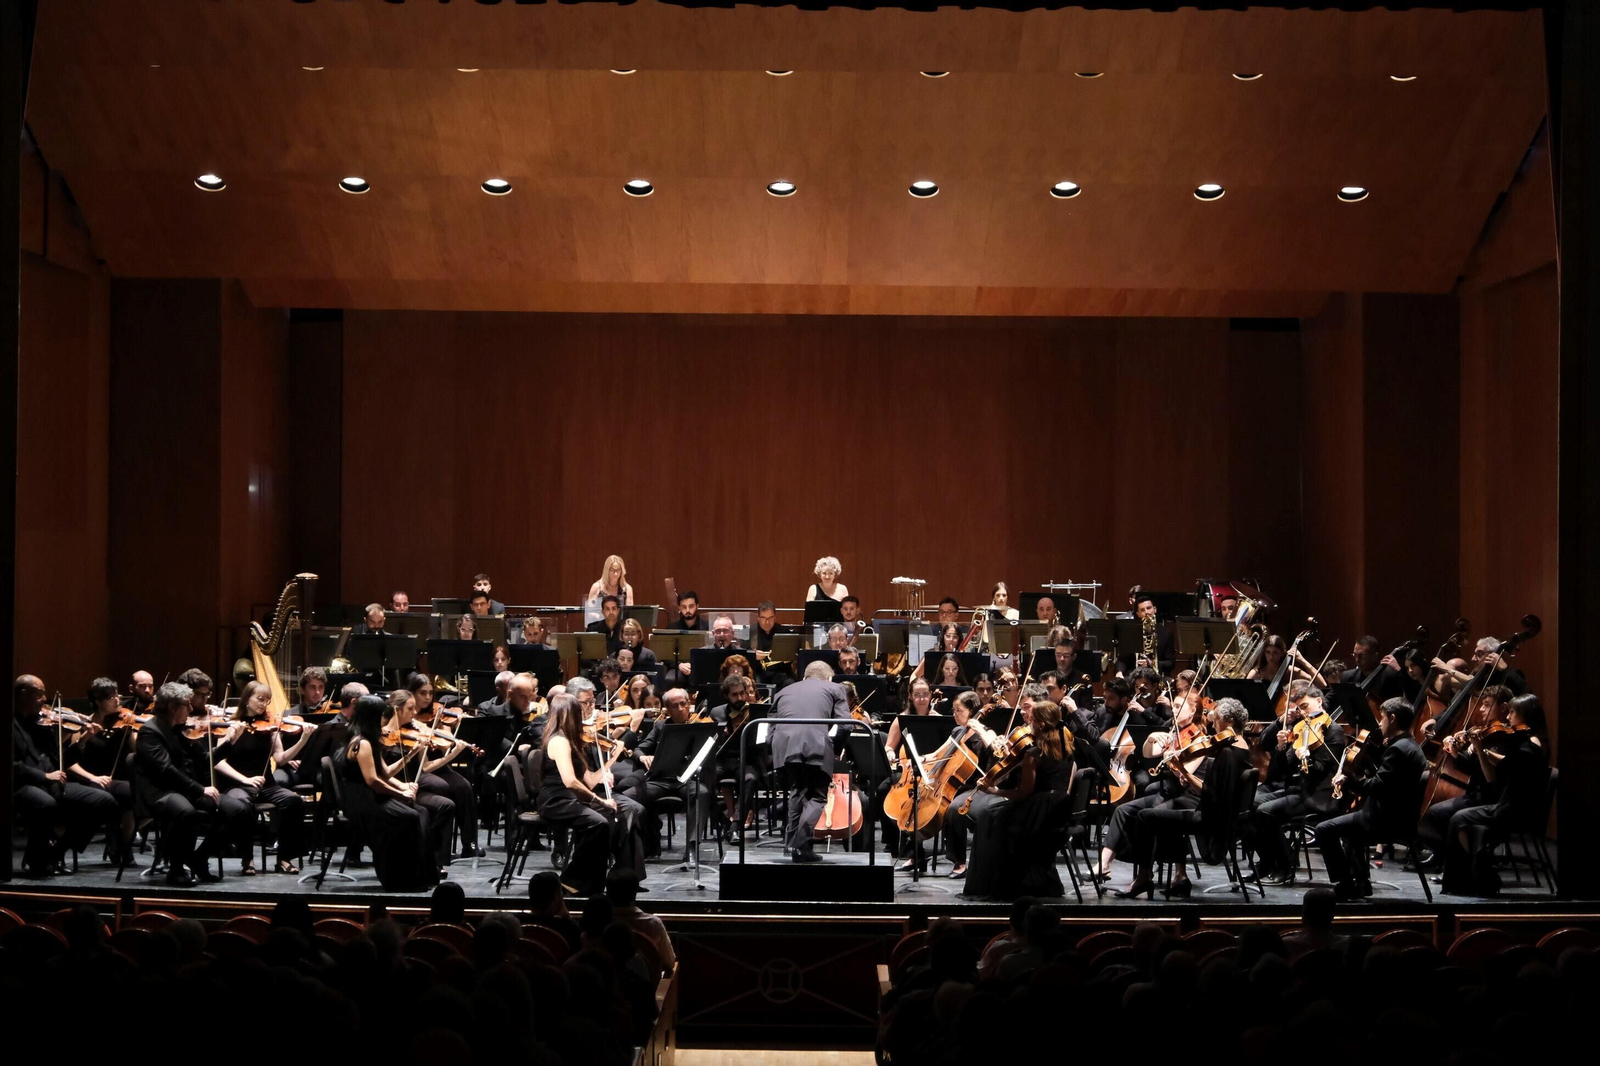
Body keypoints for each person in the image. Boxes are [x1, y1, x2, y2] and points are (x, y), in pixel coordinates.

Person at [1116, 697, 1253, 900]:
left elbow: (1210, 795)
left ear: (1230, 720)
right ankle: (1180, 878)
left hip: (1210, 816)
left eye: (1216, 718)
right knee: (1169, 806)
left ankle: (1144, 877)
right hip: (1220, 812)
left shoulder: (1227, 752)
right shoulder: (1242, 748)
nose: (1212, 721)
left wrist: (1184, 772)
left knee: (1145, 816)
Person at [134, 681, 253, 886]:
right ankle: (176, 869)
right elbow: (165, 771)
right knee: (185, 812)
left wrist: (230, 742)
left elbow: (206, 759)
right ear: (172, 707)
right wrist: (200, 789)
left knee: (238, 811)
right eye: (186, 705)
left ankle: (199, 858)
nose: (191, 709)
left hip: (184, 790)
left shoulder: (180, 729)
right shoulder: (150, 732)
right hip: (160, 791)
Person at [961, 699, 1074, 900]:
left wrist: (993, 791)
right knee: (995, 814)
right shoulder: (1067, 747)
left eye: (1031, 722)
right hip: (1060, 811)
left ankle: (991, 886)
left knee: (990, 816)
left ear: (1039, 725)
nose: (1028, 726)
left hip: (1039, 812)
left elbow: (1024, 793)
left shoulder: (1034, 754)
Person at [1318, 697, 1428, 901]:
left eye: (1382, 718)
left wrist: (1349, 779)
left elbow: (1376, 787)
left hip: (1384, 821)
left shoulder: (1398, 749)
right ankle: (1360, 882)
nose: (1379, 723)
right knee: (1349, 830)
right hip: (1400, 817)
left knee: (1324, 830)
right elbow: (1388, 780)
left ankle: (1346, 882)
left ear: (1392, 719)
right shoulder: (1410, 746)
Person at [1441, 693, 1549, 896]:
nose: (1508, 718)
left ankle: (1477, 877)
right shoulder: (1525, 740)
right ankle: (1476, 875)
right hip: (1509, 804)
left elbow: (1510, 765)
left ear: (1525, 715)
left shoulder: (1532, 745)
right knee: (1460, 819)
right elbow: (1498, 774)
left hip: (1517, 809)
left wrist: (1483, 749)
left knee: (1459, 819)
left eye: (1512, 713)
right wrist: (1480, 751)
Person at [537, 693, 647, 894]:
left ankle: (594, 884)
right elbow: (570, 781)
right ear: (568, 715)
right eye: (578, 713)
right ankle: (571, 880)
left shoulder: (573, 741)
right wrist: (600, 801)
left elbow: (589, 780)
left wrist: (612, 758)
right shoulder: (559, 741)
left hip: (571, 798)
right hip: (556, 800)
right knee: (599, 822)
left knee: (609, 819)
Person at [12, 675, 121, 877]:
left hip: (52, 782)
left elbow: (62, 760)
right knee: (46, 803)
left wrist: (83, 740)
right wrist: (45, 777)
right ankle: (38, 858)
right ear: (23, 695)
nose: (44, 699)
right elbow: (13, 766)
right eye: (39, 694)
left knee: (104, 801)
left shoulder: (44, 724)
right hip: (22, 785)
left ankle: (55, 853)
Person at [336, 694, 439, 889]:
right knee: (409, 817)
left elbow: (385, 773)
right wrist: (400, 794)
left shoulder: (370, 740)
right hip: (363, 802)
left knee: (420, 812)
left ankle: (423, 874)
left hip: (371, 796)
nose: (385, 720)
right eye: (382, 716)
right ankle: (400, 878)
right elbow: (373, 781)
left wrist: (408, 763)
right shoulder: (362, 743)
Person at [1251, 680, 1348, 886]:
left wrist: (1307, 757)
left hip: (1320, 795)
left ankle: (1285, 867)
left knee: (1265, 812)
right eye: (1299, 708)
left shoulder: (1333, 731)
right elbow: (1283, 768)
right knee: (1250, 804)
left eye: (1305, 707)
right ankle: (1268, 862)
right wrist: (1280, 747)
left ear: (1319, 701)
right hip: (1301, 789)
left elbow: (1320, 771)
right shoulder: (1303, 728)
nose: (1302, 713)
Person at [213, 680, 313, 874]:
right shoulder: (231, 725)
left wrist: (303, 739)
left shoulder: (269, 728)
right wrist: (245, 779)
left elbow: (281, 758)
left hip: (266, 784)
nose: (263, 704)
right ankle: (247, 859)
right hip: (237, 784)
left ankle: (284, 858)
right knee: (242, 805)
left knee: (294, 801)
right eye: (259, 699)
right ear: (246, 699)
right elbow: (217, 761)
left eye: (267, 701)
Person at [769, 661, 853, 862]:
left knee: (798, 790)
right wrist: (835, 749)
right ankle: (800, 844)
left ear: (805, 677)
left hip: (783, 747)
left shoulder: (783, 691)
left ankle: (793, 845)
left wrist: (774, 750)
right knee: (817, 795)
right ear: (829, 678)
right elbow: (846, 725)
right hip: (814, 744)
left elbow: (771, 727)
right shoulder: (835, 687)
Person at [1418, 684, 1514, 859]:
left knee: (1436, 814)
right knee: (1432, 812)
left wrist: (1479, 749)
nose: (1482, 709)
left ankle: (1453, 861)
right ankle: (1444, 856)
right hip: (1475, 793)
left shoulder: (1506, 737)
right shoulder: (1485, 733)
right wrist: (1455, 752)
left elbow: (1492, 778)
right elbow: (1470, 768)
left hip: (1490, 799)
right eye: (1482, 704)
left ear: (1504, 708)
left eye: (1487, 704)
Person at [625, 686, 715, 857]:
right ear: (667, 709)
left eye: (683, 704)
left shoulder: (700, 726)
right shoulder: (660, 726)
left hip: (688, 780)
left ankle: (692, 847)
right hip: (661, 780)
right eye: (675, 706)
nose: (680, 709)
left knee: (701, 793)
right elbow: (639, 749)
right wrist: (642, 758)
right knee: (628, 797)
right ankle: (639, 845)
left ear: (689, 704)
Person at [403, 674, 480, 857]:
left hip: (441, 767)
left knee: (464, 787)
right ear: (411, 693)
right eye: (422, 693)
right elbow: (425, 766)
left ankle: (469, 843)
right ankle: (436, 845)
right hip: (422, 770)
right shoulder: (408, 722)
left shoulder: (439, 714)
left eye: (430, 693)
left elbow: (446, 742)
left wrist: (445, 732)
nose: (428, 698)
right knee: (442, 788)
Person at [64, 676, 138, 864]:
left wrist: (133, 730)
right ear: (97, 701)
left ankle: (123, 844)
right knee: (102, 799)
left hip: (115, 780)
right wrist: (93, 777)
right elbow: (70, 762)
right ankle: (104, 838)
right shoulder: (82, 724)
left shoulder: (124, 723)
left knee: (133, 794)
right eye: (110, 697)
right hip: (89, 781)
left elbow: (138, 751)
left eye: (117, 695)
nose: (117, 700)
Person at [290, 678, 364, 788]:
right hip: (331, 773)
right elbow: (325, 760)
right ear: (354, 702)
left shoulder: (360, 724)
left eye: (321, 687)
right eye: (366, 700)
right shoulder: (332, 727)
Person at [606, 868, 677, 972]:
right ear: (634, 895)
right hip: (647, 986)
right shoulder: (653, 924)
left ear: (607, 894)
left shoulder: (599, 923)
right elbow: (670, 962)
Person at [1341, 636, 1409, 703]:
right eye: (1355, 655)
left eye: (1362, 656)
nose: (1357, 660)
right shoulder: (1347, 677)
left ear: (1375, 656)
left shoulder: (1391, 675)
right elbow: (1331, 700)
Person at [585, 555, 635, 621]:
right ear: (607, 570)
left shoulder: (627, 589)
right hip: (600, 624)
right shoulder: (597, 587)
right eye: (612, 570)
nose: (615, 573)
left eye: (618, 570)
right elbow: (590, 612)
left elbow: (630, 614)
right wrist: (606, 619)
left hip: (620, 627)